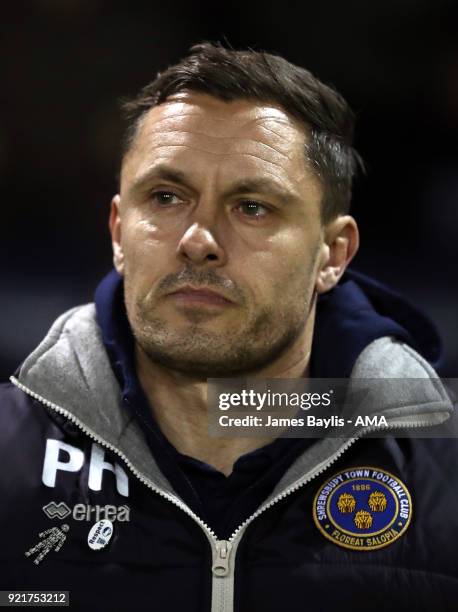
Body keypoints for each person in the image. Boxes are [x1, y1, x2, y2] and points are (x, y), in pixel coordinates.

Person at [0, 42, 456, 612]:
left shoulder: (445, 475)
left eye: (253, 207)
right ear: (119, 232)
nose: (198, 240)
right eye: (166, 197)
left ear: (332, 253)